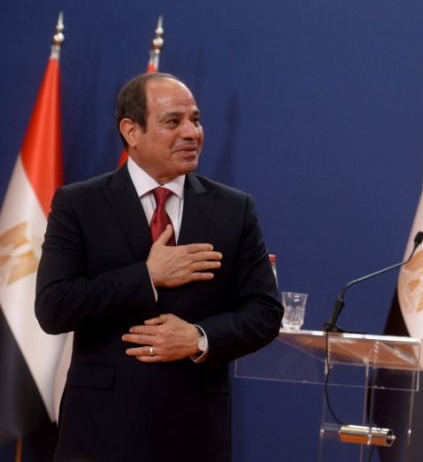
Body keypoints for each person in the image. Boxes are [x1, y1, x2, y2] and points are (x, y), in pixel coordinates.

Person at [35, 72, 284, 462]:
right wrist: (147, 277)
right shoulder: (79, 204)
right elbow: (54, 306)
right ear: (131, 131)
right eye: (173, 122)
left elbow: (265, 312)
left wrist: (200, 338)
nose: (191, 133)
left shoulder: (234, 209)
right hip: (100, 431)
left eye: (196, 120)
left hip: (194, 431)